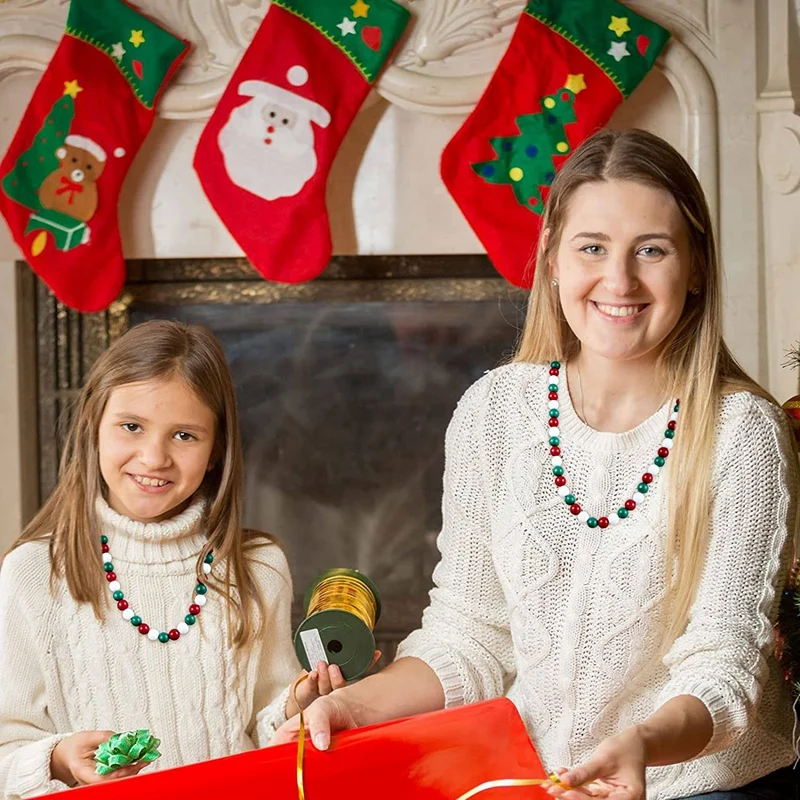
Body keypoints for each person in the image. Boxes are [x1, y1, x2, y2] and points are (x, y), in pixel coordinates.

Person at [272, 129, 800, 800]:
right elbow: (471, 636)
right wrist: (357, 706)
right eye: (592, 248)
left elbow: (725, 668)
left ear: (694, 266)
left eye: (652, 250)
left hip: (699, 783)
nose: (619, 280)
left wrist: (642, 742)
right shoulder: (495, 412)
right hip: (534, 775)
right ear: (551, 259)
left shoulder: (740, 433)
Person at [0, 320, 343, 798]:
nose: (154, 457)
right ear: (93, 426)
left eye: (184, 436)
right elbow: (5, 747)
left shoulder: (258, 567)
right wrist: (58, 758)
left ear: (216, 448)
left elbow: (264, 719)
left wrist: (296, 705)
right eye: (132, 427)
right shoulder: (34, 574)